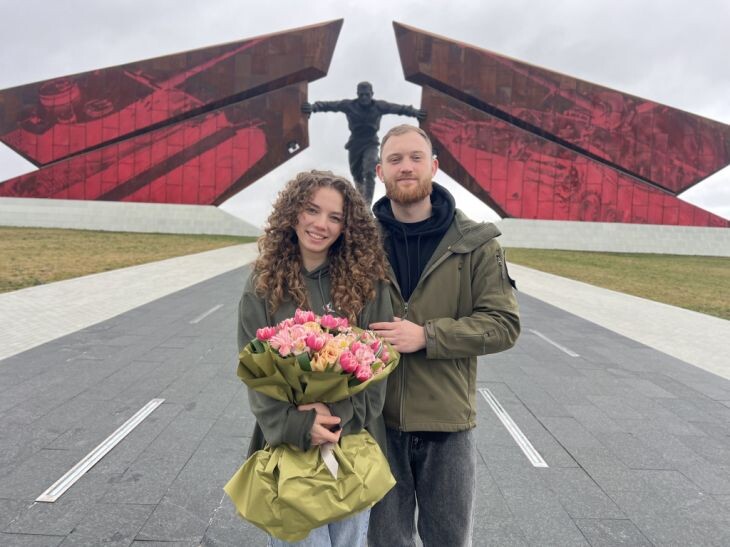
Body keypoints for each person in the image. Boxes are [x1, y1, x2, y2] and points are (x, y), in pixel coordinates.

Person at [367, 125, 521, 547]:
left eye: (415, 157)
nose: (406, 167)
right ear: (380, 171)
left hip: (447, 425)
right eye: (395, 159)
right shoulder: (360, 245)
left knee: (450, 541)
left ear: (434, 166)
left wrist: (427, 336)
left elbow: (503, 324)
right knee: (383, 542)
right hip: (377, 424)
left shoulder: (476, 243)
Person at [237, 170, 393, 547]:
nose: (321, 224)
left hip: (351, 448)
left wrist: (337, 417)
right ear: (293, 213)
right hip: (289, 450)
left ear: (346, 227)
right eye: (312, 210)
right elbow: (253, 373)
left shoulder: (369, 283)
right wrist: (297, 425)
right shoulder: (262, 284)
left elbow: (381, 366)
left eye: (335, 217)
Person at [301, 82, 426, 205]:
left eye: (367, 94)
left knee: (369, 171)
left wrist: (415, 112)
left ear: (372, 94)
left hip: (371, 143)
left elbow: (398, 109)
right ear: (357, 94)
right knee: (357, 175)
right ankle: (361, 203)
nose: (364, 97)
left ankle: (367, 204)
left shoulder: (379, 106)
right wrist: (312, 107)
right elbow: (329, 105)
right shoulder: (349, 105)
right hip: (355, 144)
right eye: (361, 95)